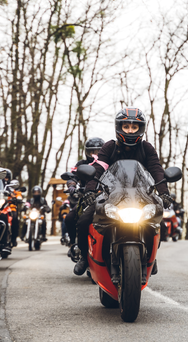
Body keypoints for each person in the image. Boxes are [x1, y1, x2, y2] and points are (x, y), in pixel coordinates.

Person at [73, 107, 174, 276]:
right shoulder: (109, 147)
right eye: (126, 126)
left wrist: (164, 193)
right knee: (83, 220)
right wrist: (90, 190)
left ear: (141, 129)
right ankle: (84, 257)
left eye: (134, 127)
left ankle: (151, 258)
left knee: (159, 222)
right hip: (111, 196)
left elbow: (156, 170)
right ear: (119, 127)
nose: (130, 130)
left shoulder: (147, 148)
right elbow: (99, 168)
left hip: (142, 197)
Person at [62, 137, 106, 247]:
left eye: (98, 152)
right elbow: (73, 176)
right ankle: (74, 245)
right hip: (86, 199)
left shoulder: (107, 164)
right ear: (87, 152)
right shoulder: (82, 163)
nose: (95, 155)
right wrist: (72, 185)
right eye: (92, 152)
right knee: (69, 218)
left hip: (106, 198)